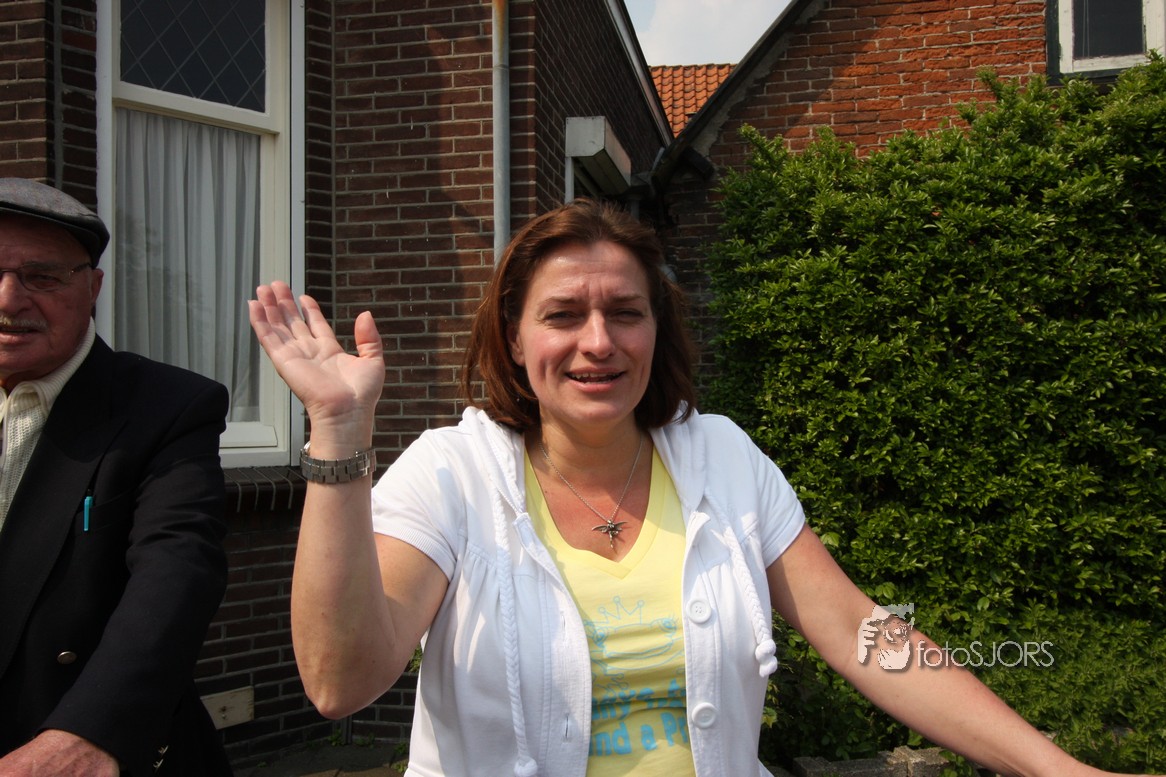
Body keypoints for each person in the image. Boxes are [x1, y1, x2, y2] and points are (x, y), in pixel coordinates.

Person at [249, 198, 1161, 777]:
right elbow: (340, 679)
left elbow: (865, 635)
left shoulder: (721, 456)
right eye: (563, 314)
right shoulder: (452, 472)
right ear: (515, 339)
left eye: (626, 312)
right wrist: (340, 435)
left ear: (657, 329)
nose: (598, 341)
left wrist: (1058, 769)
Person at [0, 179, 232, 776]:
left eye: (42, 277)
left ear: (94, 287)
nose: (9, 299)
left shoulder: (168, 407)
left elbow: (177, 568)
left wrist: (90, 731)